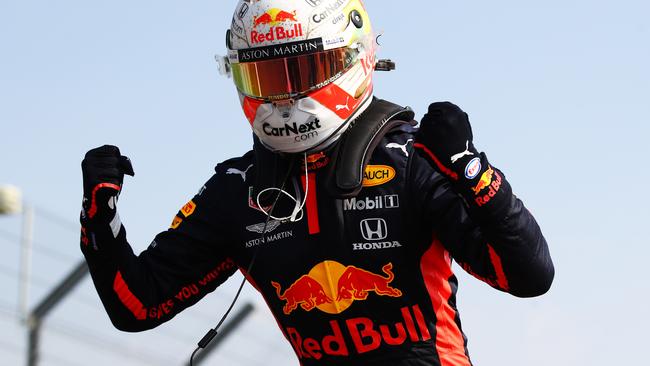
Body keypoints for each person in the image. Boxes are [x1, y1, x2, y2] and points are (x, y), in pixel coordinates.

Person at [79, 1, 554, 365]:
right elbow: (137, 305)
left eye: (300, 70)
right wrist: (100, 222)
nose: (283, 94)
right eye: (265, 74)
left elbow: (530, 276)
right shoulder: (236, 190)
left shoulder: (416, 159)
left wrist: (475, 174)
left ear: (352, 60)